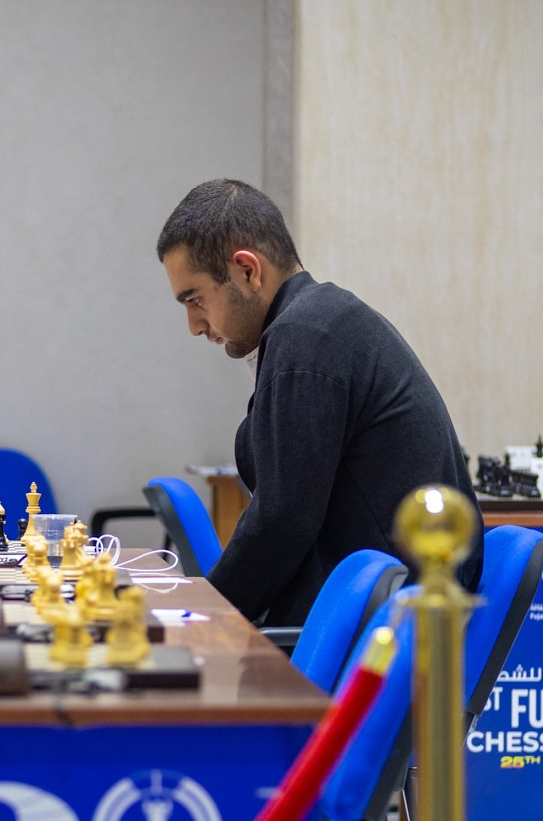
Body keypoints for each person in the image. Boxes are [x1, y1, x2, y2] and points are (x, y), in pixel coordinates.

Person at [157, 179, 481, 626]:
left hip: (382, 632)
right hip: (379, 610)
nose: (195, 325)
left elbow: (281, 524)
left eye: (195, 299)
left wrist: (205, 618)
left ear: (247, 271)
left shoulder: (305, 340)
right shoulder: (320, 323)